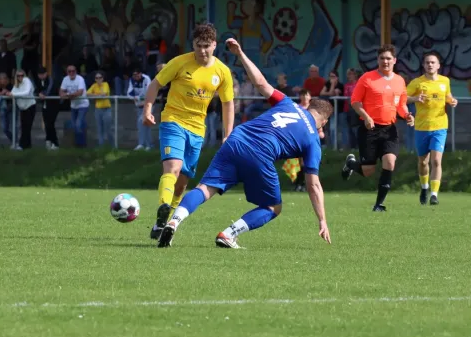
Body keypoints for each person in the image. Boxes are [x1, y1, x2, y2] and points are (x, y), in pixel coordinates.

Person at [157, 38, 332, 248]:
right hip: (260, 154)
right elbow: (313, 184)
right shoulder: (313, 139)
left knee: (205, 189)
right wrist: (322, 219)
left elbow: (260, 83)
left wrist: (240, 54)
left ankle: (174, 221)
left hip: (237, 138)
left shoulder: (288, 103)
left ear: (309, 106)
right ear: (324, 120)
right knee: (272, 207)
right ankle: (229, 234)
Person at [141, 23, 235, 240]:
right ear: (193, 44)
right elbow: (155, 84)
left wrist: (227, 134)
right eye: (198, 45)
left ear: (214, 45)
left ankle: (162, 222)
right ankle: (163, 206)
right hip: (173, 121)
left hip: (197, 129)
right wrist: (147, 110)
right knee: (172, 169)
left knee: (182, 182)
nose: (202, 50)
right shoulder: (180, 62)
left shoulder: (222, 71)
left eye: (206, 46)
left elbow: (228, 103)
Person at [341, 44, 414, 212]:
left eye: (389, 58)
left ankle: (378, 204)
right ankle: (351, 164)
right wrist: (366, 117)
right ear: (377, 60)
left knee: (390, 162)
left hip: (389, 129)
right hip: (369, 129)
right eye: (382, 58)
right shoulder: (367, 78)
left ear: (394, 60)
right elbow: (355, 101)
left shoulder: (399, 81)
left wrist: (407, 115)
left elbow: (401, 105)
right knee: (368, 171)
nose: (385, 61)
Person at [406, 51, 458, 205]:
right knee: (423, 162)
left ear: (438, 65)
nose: (430, 64)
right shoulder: (417, 82)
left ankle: (434, 194)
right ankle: (424, 187)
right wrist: (415, 98)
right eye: (427, 62)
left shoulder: (445, 81)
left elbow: (448, 96)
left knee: (436, 161)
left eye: (433, 62)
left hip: (440, 126)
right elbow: (403, 97)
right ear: (423, 65)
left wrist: (452, 101)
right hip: (422, 127)